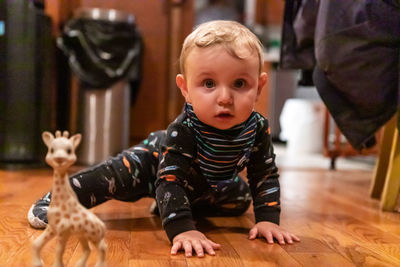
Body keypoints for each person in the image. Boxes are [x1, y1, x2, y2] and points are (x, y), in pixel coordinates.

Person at [28, 20, 300, 257]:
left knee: (239, 199)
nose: (225, 98)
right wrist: (182, 229)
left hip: (203, 182)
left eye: (239, 84)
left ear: (259, 86)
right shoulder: (183, 128)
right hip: (151, 165)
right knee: (107, 179)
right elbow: (170, 179)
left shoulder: (258, 127)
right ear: (185, 89)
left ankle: (167, 202)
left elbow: (264, 174)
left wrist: (267, 220)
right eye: (208, 84)